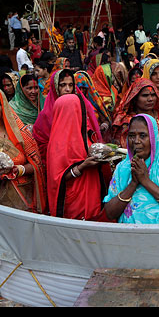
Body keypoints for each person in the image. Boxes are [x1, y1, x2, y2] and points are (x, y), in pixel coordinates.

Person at [103, 114, 159, 224]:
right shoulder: (123, 168)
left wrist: (145, 180)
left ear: (153, 137)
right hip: (128, 236)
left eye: (142, 136)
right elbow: (109, 213)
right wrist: (133, 183)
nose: (136, 141)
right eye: (132, 135)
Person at [46, 93, 112, 221]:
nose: (84, 115)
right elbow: (57, 179)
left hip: (92, 193)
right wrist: (82, 167)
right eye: (80, 110)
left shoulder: (84, 134)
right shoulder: (58, 142)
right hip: (74, 201)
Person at [111, 78, 159, 162]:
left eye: (153, 95)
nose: (150, 99)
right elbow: (121, 149)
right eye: (145, 95)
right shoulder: (127, 121)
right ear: (135, 98)